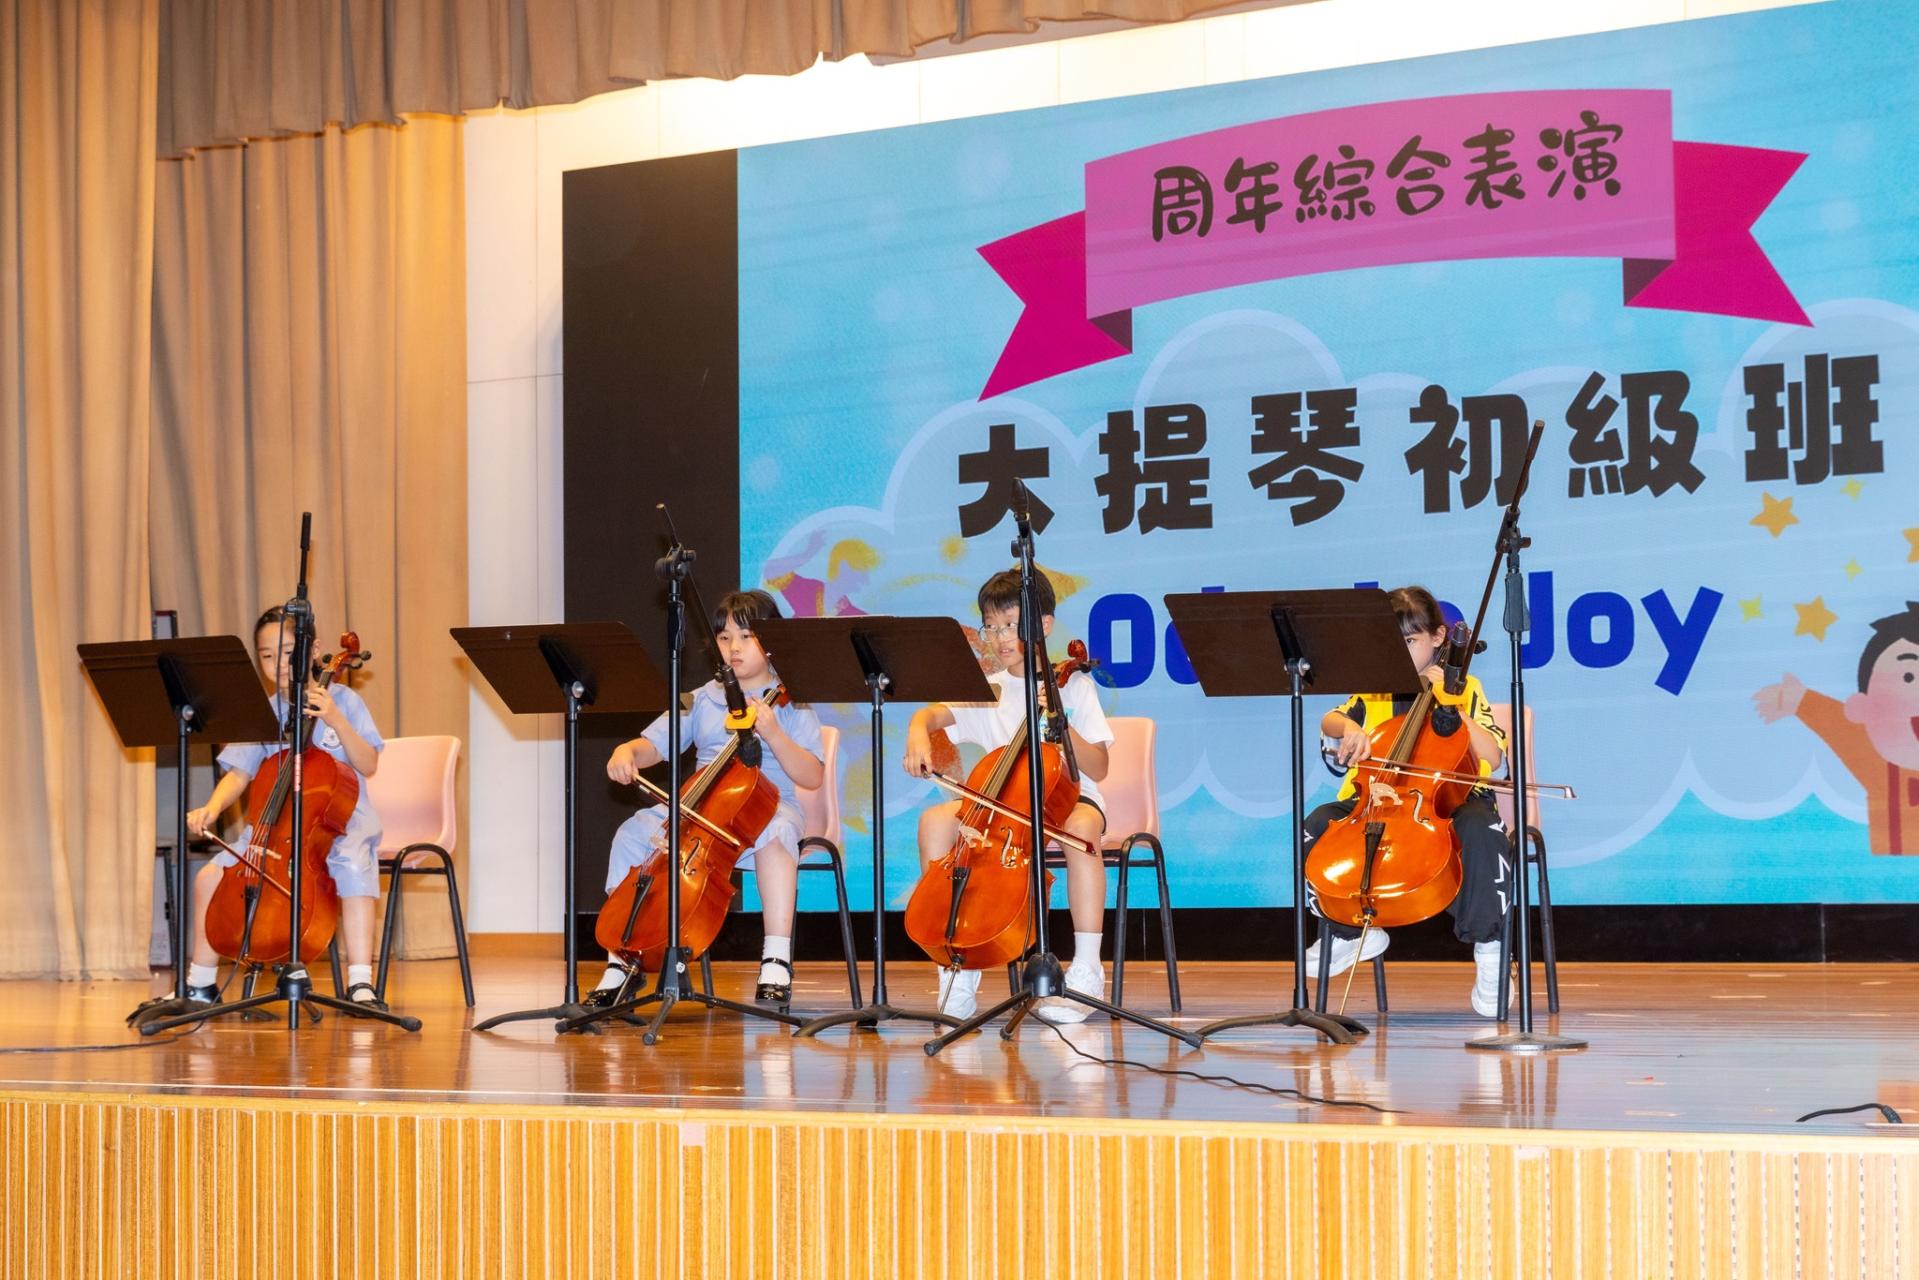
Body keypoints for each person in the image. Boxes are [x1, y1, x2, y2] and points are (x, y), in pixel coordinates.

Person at [589, 589, 825, 1007]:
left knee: (776, 833)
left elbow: (812, 774)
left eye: (746, 636)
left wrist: (773, 733)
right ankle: (622, 958)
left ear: (770, 642)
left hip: (769, 805)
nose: (734, 647)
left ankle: (776, 957)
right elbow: (654, 744)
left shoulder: (793, 700)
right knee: (632, 833)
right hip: (700, 810)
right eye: (724, 638)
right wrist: (627, 752)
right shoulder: (699, 698)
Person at [903, 568, 1114, 1023]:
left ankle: (1087, 968)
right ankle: (956, 962)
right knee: (934, 821)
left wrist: (1061, 723)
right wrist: (918, 730)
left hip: (1068, 797)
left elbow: (1098, 766)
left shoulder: (1073, 685)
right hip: (1002, 805)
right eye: (991, 626)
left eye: (1010, 625)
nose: (999, 638)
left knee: (1081, 829)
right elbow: (931, 715)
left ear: (1044, 626)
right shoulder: (990, 690)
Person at [1304, 586, 1513, 1017]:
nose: (1400, 652)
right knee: (1317, 824)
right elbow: (1331, 718)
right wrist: (1349, 728)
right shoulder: (1375, 690)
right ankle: (1348, 931)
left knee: (1482, 829)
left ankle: (1491, 949)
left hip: (1452, 798)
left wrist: (1454, 706)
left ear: (1438, 638)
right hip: (1376, 800)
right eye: (1392, 642)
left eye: (1411, 641)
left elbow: (1494, 757)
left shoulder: (1465, 687)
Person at [184, 607, 389, 1007]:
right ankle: (201, 983)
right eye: (266, 655)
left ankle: (361, 982)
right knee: (211, 875)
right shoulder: (262, 711)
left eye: (289, 652)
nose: (278, 663)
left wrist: (336, 720)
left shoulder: (344, 701)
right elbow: (239, 774)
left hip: (344, 818)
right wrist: (212, 807)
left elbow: (368, 764)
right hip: (276, 823)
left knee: (351, 862)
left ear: (314, 650)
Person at [1755, 601, 1919, 855]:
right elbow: (1840, 726)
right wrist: (1800, 700)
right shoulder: (1878, 762)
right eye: (1908, 677)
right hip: (1888, 872)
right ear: (1864, 706)